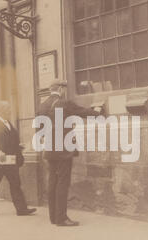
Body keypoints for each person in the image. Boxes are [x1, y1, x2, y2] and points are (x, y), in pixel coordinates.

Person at [37, 79, 102, 227]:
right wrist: (97, 112)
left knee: (52, 182)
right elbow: (82, 112)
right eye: (64, 88)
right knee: (62, 183)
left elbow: (40, 129)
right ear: (60, 89)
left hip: (50, 150)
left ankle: (53, 217)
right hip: (63, 150)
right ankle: (61, 218)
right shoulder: (64, 103)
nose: (64, 91)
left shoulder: (42, 105)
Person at [0, 100, 37, 217]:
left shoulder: (8, 122)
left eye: (9, 108)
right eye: (7, 109)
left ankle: (21, 209)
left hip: (10, 160)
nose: (9, 111)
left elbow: (10, 141)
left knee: (15, 184)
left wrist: (18, 146)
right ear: (0, 110)